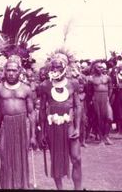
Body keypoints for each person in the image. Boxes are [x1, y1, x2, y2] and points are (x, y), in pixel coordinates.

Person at [38, 52, 82, 190]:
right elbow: (42, 110)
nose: (55, 70)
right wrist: (42, 132)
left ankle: (78, 189)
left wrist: (78, 128)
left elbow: (77, 106)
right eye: (53, 67)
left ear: (65, 67)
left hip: (69, 125)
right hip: (52, 128)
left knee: (76, 159)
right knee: (56, 161)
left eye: (58, 67)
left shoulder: (73, 84)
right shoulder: (45, 85)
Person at [0, 56, 37, 189]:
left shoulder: (26, 89)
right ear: (4, 71)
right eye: (9, 70)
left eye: (14, 70)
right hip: (6, 125)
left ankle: (21, 186)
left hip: (22, 126)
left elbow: (31, 113)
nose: (11, 73)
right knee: (5, 160)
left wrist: (33, 135)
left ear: (19, 72)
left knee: (21, 159)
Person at [87, 60, 113, 145]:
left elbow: (110, 88)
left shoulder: (107, 77)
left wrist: (108, 97)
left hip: (105, 98)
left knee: (109, 118)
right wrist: (93, 98)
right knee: (99, 119)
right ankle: (101, 139)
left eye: (101, 67)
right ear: (95, 68)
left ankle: (106, 136)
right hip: (97, 99)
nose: (101, 68)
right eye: (99, 67)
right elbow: (89, 91)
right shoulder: (91, 79)